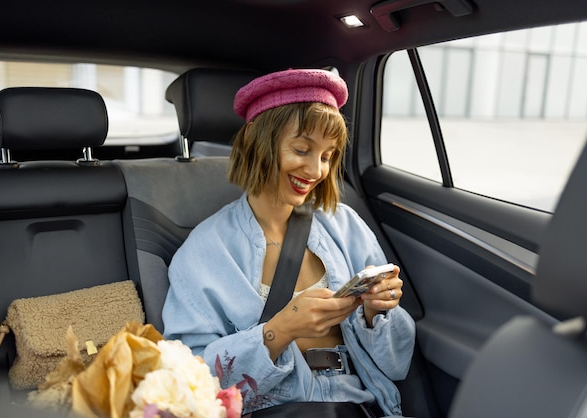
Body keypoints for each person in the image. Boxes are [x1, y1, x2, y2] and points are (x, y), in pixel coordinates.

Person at [162, 68, 416, 417]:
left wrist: (376, 312)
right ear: (257, 137)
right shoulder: (204, 252)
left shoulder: (344, 225)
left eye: (327, 156)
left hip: (361, 406)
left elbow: (397, 366)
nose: (316, 170)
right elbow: (187, 379)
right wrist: (278, 331)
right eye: (301, 149)